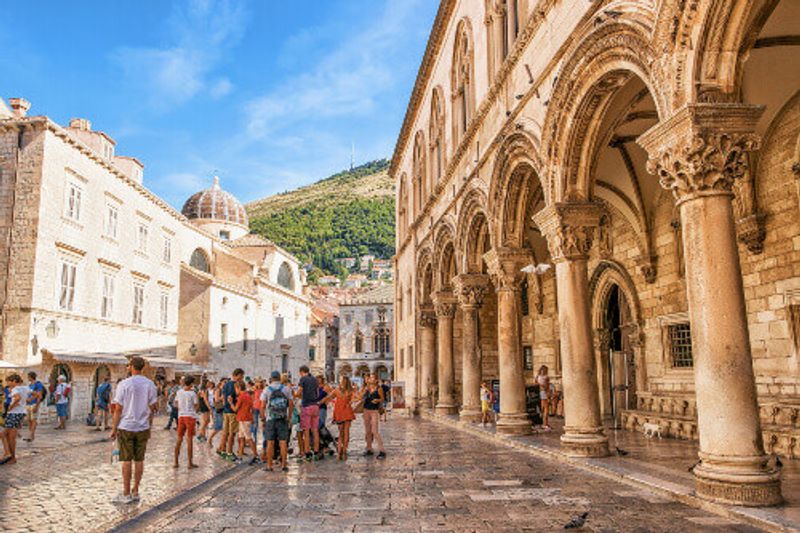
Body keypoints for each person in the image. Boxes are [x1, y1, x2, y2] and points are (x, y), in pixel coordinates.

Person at [110, 356, 158, 504]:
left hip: (126, 426)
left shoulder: (124, 384)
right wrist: (149, 425)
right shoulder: (150, 384)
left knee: (126, 460)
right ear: (142, 367)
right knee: (139, 459)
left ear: (131, 367)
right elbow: (153, 408)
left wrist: (113, 428)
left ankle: (125, 493)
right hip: (142, 426)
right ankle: (135, 491)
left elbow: (118, 409)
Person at [261, 371, 293, 471]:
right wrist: (289, 417)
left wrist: (263, 418)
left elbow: (262, 406)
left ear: (271, 378)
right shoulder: (286, 389)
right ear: (279, 378)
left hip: (271, 419)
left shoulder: (267, 389)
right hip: (283, 418)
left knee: (270, 442)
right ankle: (284, 465)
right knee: (283, 442)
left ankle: (269, 465)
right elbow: (291, 404)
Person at [321, 375, 356, 460]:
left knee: (341, 433)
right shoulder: (350, 390)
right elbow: (358, 397)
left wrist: (319, 402)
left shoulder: (337, 390)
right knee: (346, 432)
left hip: (339, 412)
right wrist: (350, 402)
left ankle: (340, 452)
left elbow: (328, 397)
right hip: (347, 411)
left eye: (340, 379)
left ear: (342, 381)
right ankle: (344, 451)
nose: (339, 381)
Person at [1, 374, 29, 465]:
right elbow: (36, 394)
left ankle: (10, 456)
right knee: (9, 436)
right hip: (19, 413)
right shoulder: (24, 388)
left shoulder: (15, 389)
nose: (8, 383)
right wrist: (23, 404)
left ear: (13, 381)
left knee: (7, 436)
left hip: (14, 413)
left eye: (9, 381)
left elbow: (17, 398)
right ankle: (10, 455)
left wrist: (11, 407)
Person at [217, 369, 244, 461]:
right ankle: (229, 452)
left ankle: (222, 449)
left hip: (226, 411)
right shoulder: (235, 385)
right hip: (233, 411)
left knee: (225, 432)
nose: (242, 378)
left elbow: (224, 397)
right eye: (241, 376)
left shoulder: (226, 384)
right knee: (232, 433)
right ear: (237, 375)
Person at [295, 366, 320, 461]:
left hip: (307, 406)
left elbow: (299, 392)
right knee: (315, 430)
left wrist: (295, 394)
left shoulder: (303, 379)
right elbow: (317, 393)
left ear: (301, 372)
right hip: (315, 406)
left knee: (306, 430)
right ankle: (317, 452)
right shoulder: (315, 379)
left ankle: (307, 452)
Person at [174, 376, 199, 469]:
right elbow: (196, 405)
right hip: (190, 416)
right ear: (191, 384)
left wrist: (181, 408)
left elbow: (176, 403)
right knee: (189, 440)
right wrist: (193, 410)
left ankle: (176, 462)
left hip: (181, 416)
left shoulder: (179, 392)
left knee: (179, 439)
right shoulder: (193, 393)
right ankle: (189, 463)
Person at [359, 374, 386, 459]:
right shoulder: (366, 388)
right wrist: (365, 388)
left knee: (374, 431)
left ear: (376, 380)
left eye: (372, 377)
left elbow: (382, 399)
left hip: (374, 411)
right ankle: (369, 448)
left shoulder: (379, 389)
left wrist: (377, 400)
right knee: (367, 431)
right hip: (366, 410)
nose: (370, 379)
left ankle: (382, 450)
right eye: (370, 377)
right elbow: (360, 396)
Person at [234, 381, 258, 464]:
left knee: (248, 438)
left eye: (236, 389)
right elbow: (252, 408)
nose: (235, 391)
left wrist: (230, 402)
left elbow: (235, 409)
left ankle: (256, 455)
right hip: (246, 418)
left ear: (239, 388)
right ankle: (240, 456)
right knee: (241, 438)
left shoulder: (241, 396)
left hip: (243, 419)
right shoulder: (248, 396)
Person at [24, 371, 45, 442]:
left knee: (33, 420)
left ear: (31, 377)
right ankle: (31, 436)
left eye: (28, 376)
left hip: (34, 404)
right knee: (29, 420)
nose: (27, 378)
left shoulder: (38, 384)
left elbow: (40, 395)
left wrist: (37, 405)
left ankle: (31, 435)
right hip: (29, 404)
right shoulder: (30, 385)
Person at [208, 379, 225, 448]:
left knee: (222, 428)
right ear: (221, 382)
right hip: (218, 409)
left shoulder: (223, 390)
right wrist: (223, 397)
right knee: (218, 427)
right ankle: (209, 439)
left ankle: (222, 444)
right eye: (224, 382)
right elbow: (217, 399)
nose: (226, 383)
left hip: (222, 409)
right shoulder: (218, 390)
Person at [536, 365, 551, 430]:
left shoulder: (537, 377)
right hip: (544, 393)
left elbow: (536, 384)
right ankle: (545, 424)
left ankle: (543, 423)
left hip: (540, 393)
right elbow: (547, 387)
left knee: (542, 409)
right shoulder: (546, 377)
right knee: (546, 409)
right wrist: (548, 395)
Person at [250, 379, 263, 445]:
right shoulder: (254, 390)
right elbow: (252, 398)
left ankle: (262, 440)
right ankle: (254, 439)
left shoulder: (263, 390)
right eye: (258, 382)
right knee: (255, 424)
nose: (259, 384)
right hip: (255, 408)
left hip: (261, 408)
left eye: (260, 382)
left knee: (262, 424)